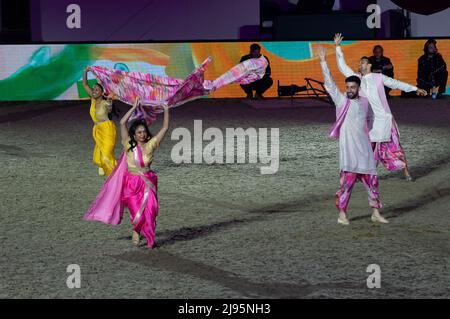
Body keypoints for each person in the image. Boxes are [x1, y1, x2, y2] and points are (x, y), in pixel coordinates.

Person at [334, 33, 427, 182]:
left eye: (363, 63)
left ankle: (406, 172)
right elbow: (342, 67)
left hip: (384, 119)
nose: (360, 65)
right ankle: (362, 174)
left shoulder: (379, 77)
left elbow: (395, 83)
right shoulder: (357, 79)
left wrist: (414, 88)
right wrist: (338, 47)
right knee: (366, 149)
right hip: (368, 121)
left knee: (394, 147)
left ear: (369, 65)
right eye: (359, 63)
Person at [84, 97, 170, 248]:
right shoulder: (128, 144)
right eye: (139, 132)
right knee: (136, 210)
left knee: (150, 211)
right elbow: (122, 123)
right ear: (134, 135)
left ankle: (151, 239)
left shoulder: (151, 145)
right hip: (131, 183)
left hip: (147, 182)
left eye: (144, 132)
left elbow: (165, 128)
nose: (142, 134)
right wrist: (134, 107)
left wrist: (166, 109)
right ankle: (136, 230)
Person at [318, 45, 388, 225]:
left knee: (372, 182)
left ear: (358, 88)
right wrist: (323, 61)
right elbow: (330, 83)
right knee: (347, 185)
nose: (349, 89)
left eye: (352, 87)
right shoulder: (341, 101)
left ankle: (375, 213)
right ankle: (342, 214)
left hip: (364, 150)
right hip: (349, 151)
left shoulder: (365, 102)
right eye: (347, 86)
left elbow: (372, 120)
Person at [83, 66, 118, 176]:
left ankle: (116, 174)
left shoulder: (105, 103)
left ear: (102, 93)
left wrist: (110, 100)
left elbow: (110, 108)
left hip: (108, 130)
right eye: (93, 89)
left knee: (106, 154)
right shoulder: (93, 100)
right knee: (101, 152)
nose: (94, 91)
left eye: (97, 90)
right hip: (98, 130)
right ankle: (106, 168)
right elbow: (84, 84)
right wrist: (85, 72)